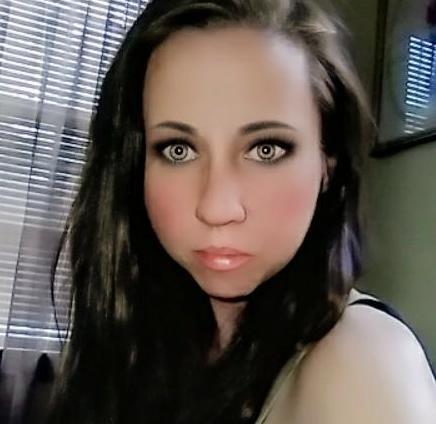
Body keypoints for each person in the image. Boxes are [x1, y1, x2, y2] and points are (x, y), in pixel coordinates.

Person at [47, 0, 436, 423]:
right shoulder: (147, 345)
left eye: (266, 149)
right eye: (179, 150)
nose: (217, 207)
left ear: (327, 164)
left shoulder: (361, 363)